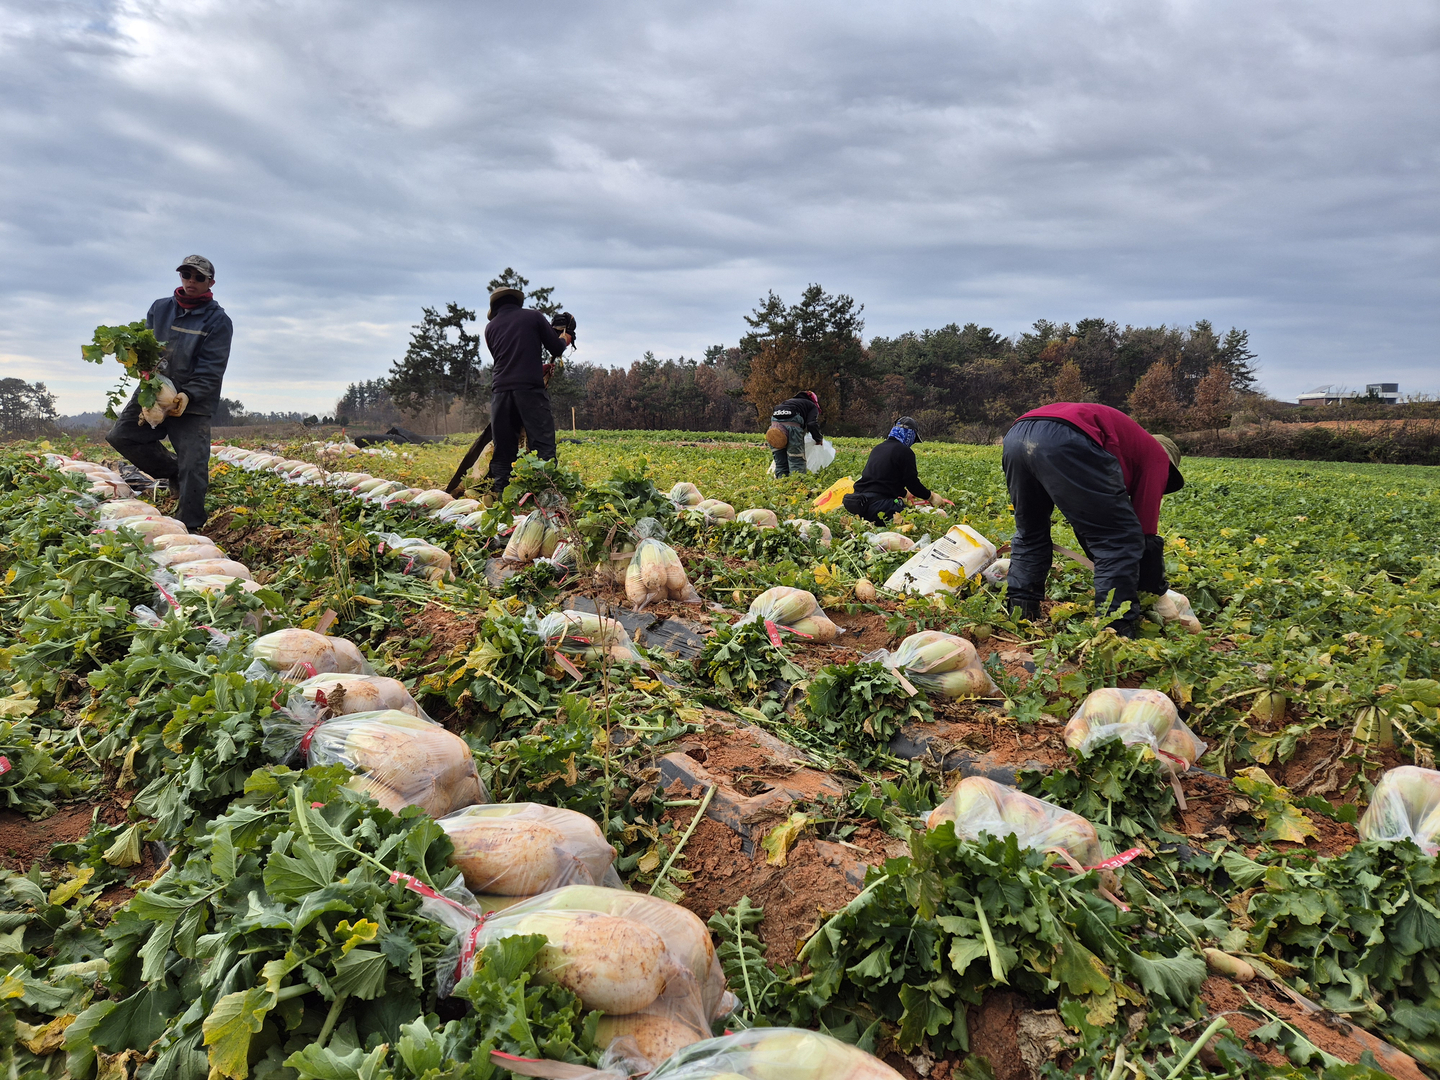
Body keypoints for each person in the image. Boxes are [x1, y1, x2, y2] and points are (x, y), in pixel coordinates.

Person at [1001, 402, 1184, 637]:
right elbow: (1143, 535)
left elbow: (1090, 523)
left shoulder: (1126, 442)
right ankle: (1115, 631)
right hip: (1067, 436)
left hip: (1017, 435)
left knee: (1031, 531)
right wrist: (1156, 593)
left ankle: (1022, 612)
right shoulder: (1157, 456)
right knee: (1118, 540)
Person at [106, 255, 233, 531]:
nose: (191, 281)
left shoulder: (218, 320)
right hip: (154, 392)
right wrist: (136, 361)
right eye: (186, 275)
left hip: (192, 403)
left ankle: (190, 525)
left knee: (194, 464)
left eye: (199, 277)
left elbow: (212, 368)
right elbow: (147, 346)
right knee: (122, 436)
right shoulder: (160, 308)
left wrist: (188, 395)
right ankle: (171, 472)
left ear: (210, 282)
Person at [483, 286, 572, 493]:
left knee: (504, 449)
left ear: (495, 306)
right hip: (529, 391)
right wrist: (565, 338)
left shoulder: (491, 328)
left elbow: (508, 360)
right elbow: (556, 348)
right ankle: (545, 493)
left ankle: (502, 495)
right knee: (543, 444)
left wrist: (537, 368)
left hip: (501, 393)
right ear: (517, 301)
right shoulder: (534, 317)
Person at [842, 416, 953, 523]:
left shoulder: (878, 448)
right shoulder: (905, 452)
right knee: (916, 516)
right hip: (880, 507)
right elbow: (913, 484)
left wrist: (905, 494)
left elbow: (882, 481)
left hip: (859, 504)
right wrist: (931, 497)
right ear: (910, 435)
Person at [767, 390, 823, 477]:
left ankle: (781, 483)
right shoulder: (812, 405)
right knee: (796, 458)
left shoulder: (788, 402)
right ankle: (796, 484)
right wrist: (818, 439)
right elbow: (811, 424)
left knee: (780, 461)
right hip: (792, 428)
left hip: (774, 430)